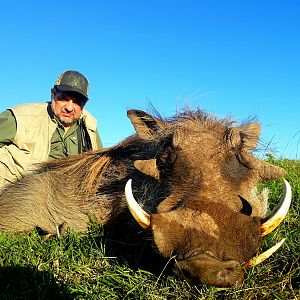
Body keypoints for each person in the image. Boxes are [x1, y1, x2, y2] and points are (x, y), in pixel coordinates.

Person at [0, 70, 103, 189]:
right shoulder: (21, 117)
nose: (69, 108)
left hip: (65, 200)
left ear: (83, 104)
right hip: (15, 197)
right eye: (63, 99)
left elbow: (100, 168)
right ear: (52, 94)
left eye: (76, 102)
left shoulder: (90, 128)